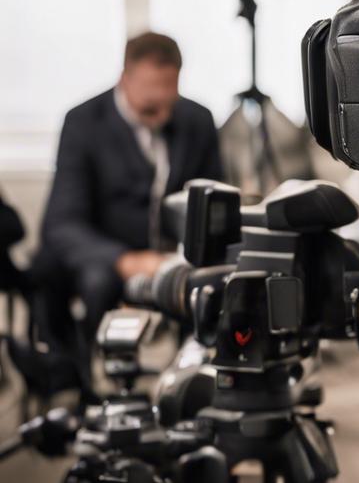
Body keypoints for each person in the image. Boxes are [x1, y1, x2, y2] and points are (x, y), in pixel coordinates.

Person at [32, 32, 222, 373]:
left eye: (170, 88)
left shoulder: (198, 120)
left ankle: (195, 376)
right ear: (126, 78)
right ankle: (87, 382)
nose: (162, 101)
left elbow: (214, 202)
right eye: (151, 90)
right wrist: (126, 261)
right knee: (94, 279)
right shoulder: (83, 123)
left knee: (213, 280)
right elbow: (62, 223)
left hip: (176, 256)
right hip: (108, 254)